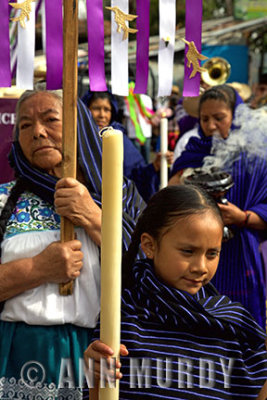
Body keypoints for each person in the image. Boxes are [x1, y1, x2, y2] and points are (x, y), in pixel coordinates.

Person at [0, 87, 146, 398]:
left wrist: (95, 217)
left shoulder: (119, 196)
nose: (38, 132)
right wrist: (37, 268)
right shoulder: (3, 200)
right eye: (25, 125)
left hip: (100, 356)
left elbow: (154, 270)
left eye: (50, 119)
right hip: (15, 354)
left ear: (78, 125)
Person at [84, 185, 267, 400]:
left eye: (212, 254)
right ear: (149, 246)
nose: (200, 266)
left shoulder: (232, 323)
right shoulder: (122, 318)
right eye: (188, 251)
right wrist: (96, 376)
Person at [169, 84, 267, 329]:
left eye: (219, 118)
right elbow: (169, 196)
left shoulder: (257, 156)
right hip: (195, 251)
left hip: (241, 254)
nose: (211, 125)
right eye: (204, 118)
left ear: (235, 117)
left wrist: (243, 217)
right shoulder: (194, 151)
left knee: (243, 328)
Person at [81, 90, 173, 202]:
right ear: (86, 110)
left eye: (107, 110)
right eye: (96, 108)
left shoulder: (119, 137)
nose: (102, 115)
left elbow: (134, 176)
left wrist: (155, 166)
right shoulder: (79, 137)